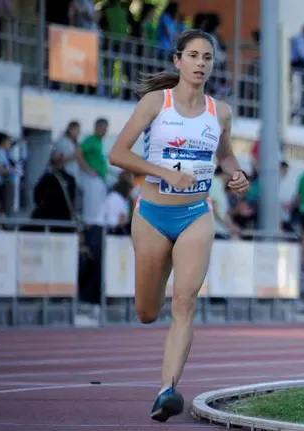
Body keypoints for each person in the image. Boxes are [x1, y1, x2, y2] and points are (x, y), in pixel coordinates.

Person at [107, 29, 249, 423]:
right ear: (177, 61)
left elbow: (227, 158)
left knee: (185, 302)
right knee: (147, 311)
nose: (201, 63)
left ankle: (167, 390)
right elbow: (118, 153)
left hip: (196, 215)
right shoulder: (156, 102)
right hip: (152, 215)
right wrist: (164, 171)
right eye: (193, 56)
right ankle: (164, 373)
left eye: (208, 57)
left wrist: (238, 177)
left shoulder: (219, 112)